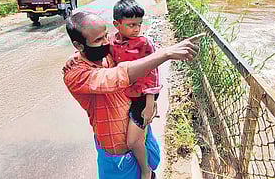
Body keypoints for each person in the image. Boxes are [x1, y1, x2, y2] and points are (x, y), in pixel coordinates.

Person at [63, 11, 202, 178]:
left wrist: (150, 99)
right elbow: (117, 76)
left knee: (150, 171)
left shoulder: (106, 53)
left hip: (139, 133)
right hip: (119, 156)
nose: (107, 42)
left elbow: (139, 56)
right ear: (79, 46)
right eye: (98, 40)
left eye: (106, 36)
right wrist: (165, 54)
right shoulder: (75, 75)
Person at [111, 0, 160, 179]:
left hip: (143, 94)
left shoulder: (144, 43)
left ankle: (146, 170)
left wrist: (150, 103)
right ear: (117, 24)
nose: (136, 29)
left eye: (139, 24)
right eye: (131, 25)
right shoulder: (112, 42)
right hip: (125, 93)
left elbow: (153, 74)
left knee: (132, 141)